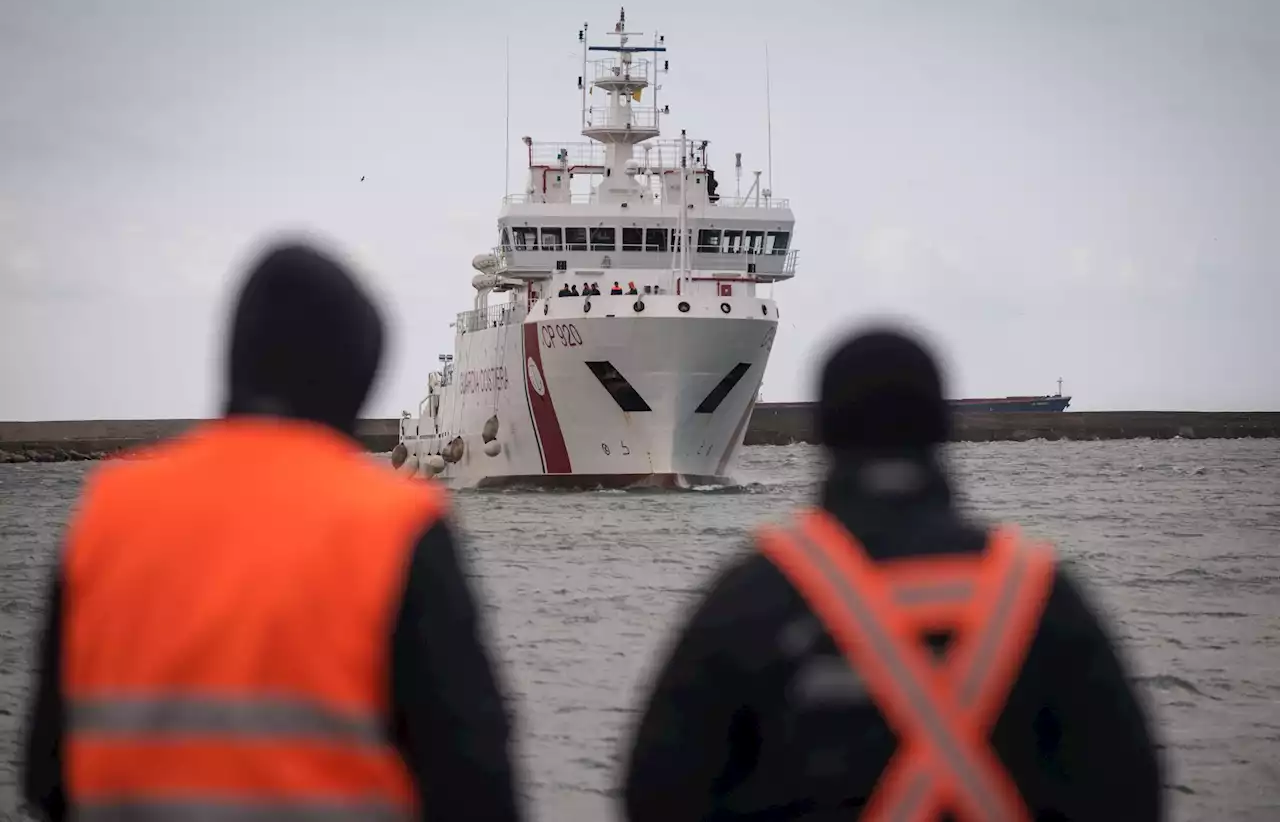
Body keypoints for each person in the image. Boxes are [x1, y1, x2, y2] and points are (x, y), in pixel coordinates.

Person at [21, 238, 524, 822]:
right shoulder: (396, 525)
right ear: (358, 376)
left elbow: (44, 774)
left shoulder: (109, 510)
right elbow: (475, 782)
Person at [621, 326, 1163, 822]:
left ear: (824, 431)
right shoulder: (1043, 593)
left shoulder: (752, 596)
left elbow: (657, 793)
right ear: (943, 428)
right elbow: (1129, 792)